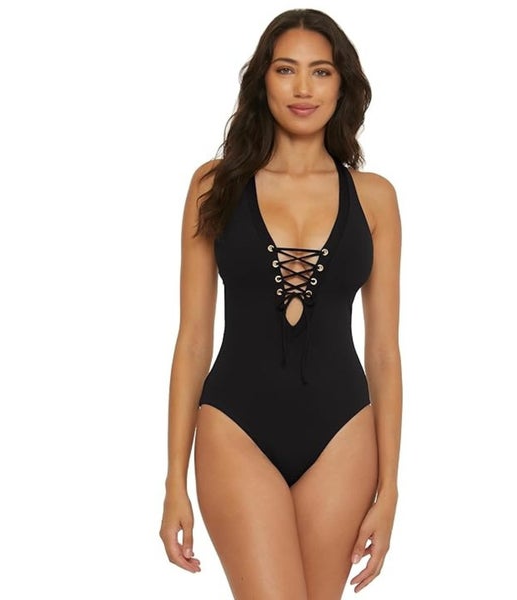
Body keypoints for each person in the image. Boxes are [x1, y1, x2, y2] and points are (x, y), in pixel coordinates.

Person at [159, 8, 402, 599]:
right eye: (286, 69)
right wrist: (173, 481)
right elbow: (193, 339)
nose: (302, 88)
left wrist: (390, 489)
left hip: (344, 434)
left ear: (342, 85)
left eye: (321, 72)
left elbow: (384, 351)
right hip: (234, 428)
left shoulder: (375, 198)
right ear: (261, 80)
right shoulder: (214, 185)